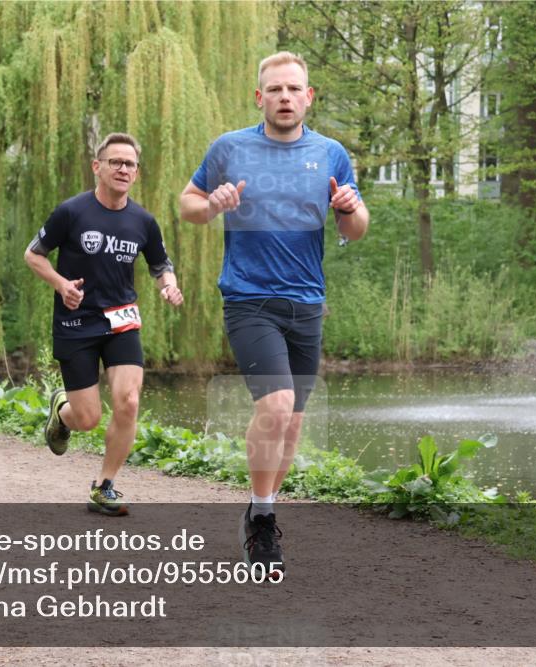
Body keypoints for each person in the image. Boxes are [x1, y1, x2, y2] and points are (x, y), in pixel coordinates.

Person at [179, 52, 369, 574]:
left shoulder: (331, 154)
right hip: (249, 299)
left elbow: (355, 230)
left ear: (308, 97)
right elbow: (187, 205)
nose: (285, 97)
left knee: (292, 425)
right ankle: (263, 521)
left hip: (308, 303)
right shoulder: (230, 148)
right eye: (275, 89)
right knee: (278, 405)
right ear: (258, 97)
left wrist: (351, 210)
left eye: (294, 89)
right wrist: (212, 205)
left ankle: (261, 508)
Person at [25, 133, 183, 516]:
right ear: (98, 167)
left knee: (128, 401)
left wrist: (169, 285)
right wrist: (61, 285)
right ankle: (63, 412)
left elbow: (160, 264)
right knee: (88, 419)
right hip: (75, 323)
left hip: (122, 321)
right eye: (115, 162)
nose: (123, 169)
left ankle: (105, 485)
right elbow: (34, 255)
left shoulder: (143, 220)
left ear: (136, 172)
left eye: (129, 164)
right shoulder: (72, 212)